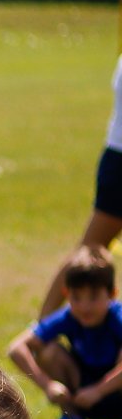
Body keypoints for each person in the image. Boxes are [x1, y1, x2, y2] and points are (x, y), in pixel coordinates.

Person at [9, 245, 122, 419]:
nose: (84, 306)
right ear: (66, 293)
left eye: (94, 297)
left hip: (114, 394)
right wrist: (48, 385)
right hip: (82, 396)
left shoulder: (117, 317)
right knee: (46, 350)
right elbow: (16, 348)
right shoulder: (68, 317)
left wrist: (98, 390)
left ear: (112, 294)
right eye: (76, 297)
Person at [37, 55, 122, 318]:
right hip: (119, 162)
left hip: (116, 159)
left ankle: (39, 331)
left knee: (89, 247)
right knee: (89, 250)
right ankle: (39, 335)